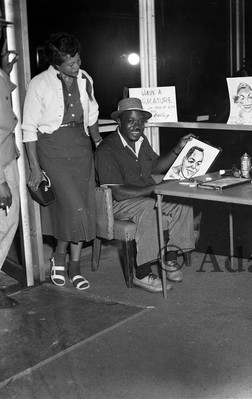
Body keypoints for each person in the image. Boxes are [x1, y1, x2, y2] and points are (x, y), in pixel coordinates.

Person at [22, 32, 103, 291]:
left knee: (84, 207)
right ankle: (61, 260)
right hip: (52, 148)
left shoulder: (85, 78)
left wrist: (99, 143)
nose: (77, 67)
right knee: (71, 208)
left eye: (78, 60)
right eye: (71, 64)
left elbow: (92, 115)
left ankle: (71, 264)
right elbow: (28, 129)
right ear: (56, 63)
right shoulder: (39, 83)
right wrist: (35, 168)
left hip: (80, 146)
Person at [95, 98, 196, 292]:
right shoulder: (107, 149)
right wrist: (155, 189)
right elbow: (118, 193)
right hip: (117, 202)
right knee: (149, 208)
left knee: (183, 201)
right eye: (131, 120)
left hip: (142, 196)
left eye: (141, 121)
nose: (137, 126)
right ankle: (141, 274)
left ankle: (170, 260)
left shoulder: (141, 141)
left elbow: (156, 166)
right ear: (119, 122)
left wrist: (178, 149)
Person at [0, 17, 20, 308]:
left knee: (8, 223)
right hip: (1, 163)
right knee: (6, 223)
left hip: (7, 155)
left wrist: (5, 72)